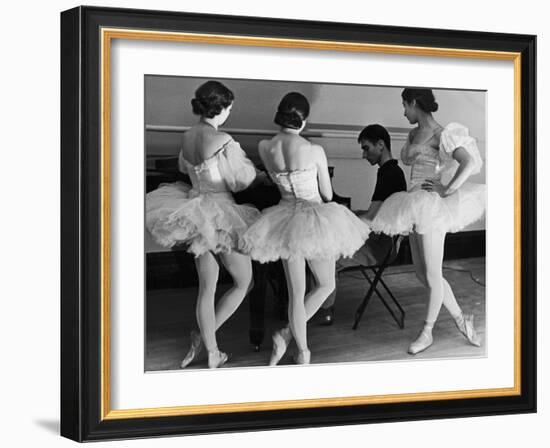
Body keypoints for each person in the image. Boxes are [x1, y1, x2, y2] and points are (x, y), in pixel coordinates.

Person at [240, 92, 371, 365]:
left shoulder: (265, 146)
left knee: (295, 293)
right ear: (304, 119)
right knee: (325, 284)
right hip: (313, 218)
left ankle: (301, 350)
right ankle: (286, 337)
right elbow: (326, 193)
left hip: (284, 218)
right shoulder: (313, 150)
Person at [146, 80, 263, 368]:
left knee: (206, 287)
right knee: (244, 282)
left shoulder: (187, 136)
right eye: (229, 108)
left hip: (194, 209)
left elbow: (186, 168)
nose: (229, 114)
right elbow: (239, 180)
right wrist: (260, 176)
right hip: (220, 212)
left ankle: (211, 350)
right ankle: (202, 336)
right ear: (220, 108)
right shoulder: (223, 140)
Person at [369, 88, 485, 355]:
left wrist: (447, 189)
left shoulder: (442, 133)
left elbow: (467, 162)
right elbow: (412, 162)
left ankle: (427, 332)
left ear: (413, 103)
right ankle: (461, 320)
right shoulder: (412, 134)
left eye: (404, 105)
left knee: (433, 275)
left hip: (431, 207)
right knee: (423, 274)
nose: (403, 111)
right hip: (412, 204)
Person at [318, 124, 407, 325]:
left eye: (366, 148)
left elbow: (370, 219)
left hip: (381, 247)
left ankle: (325, 310)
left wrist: (339, 219)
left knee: (327, 255)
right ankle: (318, 303)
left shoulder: (389, 174)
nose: (364, 155)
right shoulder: (389, 170)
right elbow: (375, 214)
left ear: (381, 145)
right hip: (380, 238)